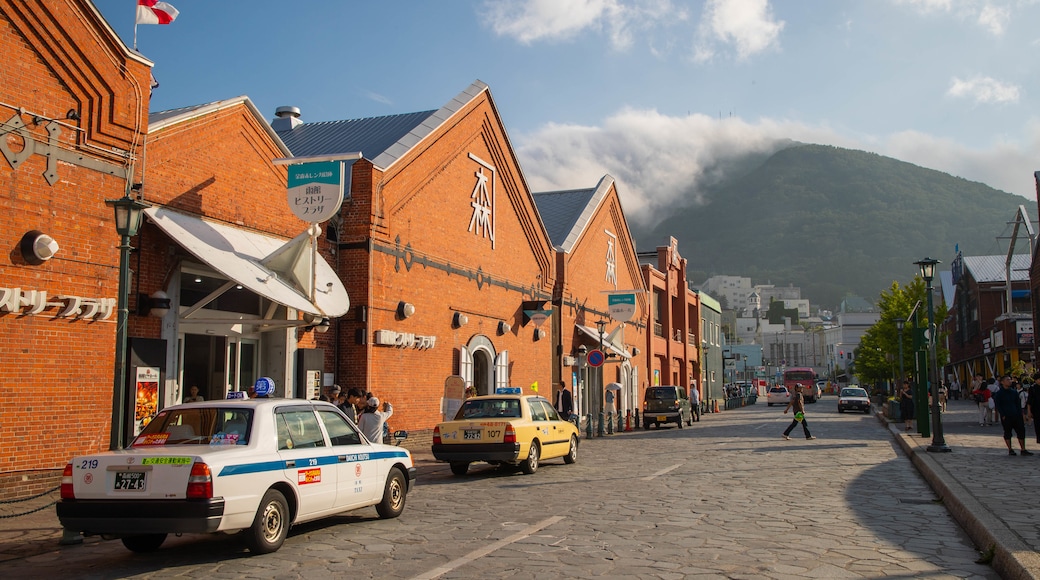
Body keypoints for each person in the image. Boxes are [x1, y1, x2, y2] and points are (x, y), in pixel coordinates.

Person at [992, 374, 1032, 456]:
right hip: (1006, 416)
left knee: (1021, 431)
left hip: (1016, 415)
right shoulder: (999, 394)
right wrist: (1003, 415)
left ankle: (1023, 449)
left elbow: (1018, 403)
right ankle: (1010, 449)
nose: (1009, 381)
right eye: (1007, 380)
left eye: (1010, 380)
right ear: (1002, 382)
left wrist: (1020, 413)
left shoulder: (1014, 392)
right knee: (1007, 432)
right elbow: (998, 405)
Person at [1028, 372, 1040, 444]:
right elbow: (1029, 400)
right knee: (1038, 427)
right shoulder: (1033, 388)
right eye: (1038, 379)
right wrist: (1029, 411)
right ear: (1035, 380)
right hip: (1037, 411)